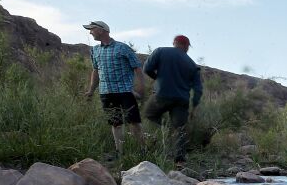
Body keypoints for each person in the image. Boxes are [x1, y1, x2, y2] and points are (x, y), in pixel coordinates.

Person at [83, 21, 146, 155]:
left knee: (134, 122)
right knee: (115, 123)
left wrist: (140, 88)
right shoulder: (95, 50)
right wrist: (91, 90)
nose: (90, 32)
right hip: (106, 92)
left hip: (125, 91)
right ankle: (120, 153)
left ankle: (143, 151)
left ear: (101, 30)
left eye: (92, 29)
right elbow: (96, 71)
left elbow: (137, 68)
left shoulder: (122, 48)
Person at [143, 35, 203, 164]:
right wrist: (194, 105)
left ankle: (165, 130)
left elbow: (146, 69)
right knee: (180, 128)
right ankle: (179, 160)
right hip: (182, 100)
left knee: (149, 114)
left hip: (162, 94)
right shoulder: (192, 65)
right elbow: (198, 90)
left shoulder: (161, 51)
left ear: (174, 42)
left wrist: (157, 78)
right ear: (186, 46)